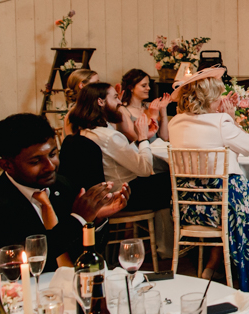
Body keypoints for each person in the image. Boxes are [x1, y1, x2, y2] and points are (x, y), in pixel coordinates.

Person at [169, 67, 249, 291]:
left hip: (190, 206)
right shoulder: (220, 122)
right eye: (218, 97)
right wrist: (232, 119)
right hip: (224, 203)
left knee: (247, 203)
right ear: (208, 99)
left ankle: (213, 265)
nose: (221, 101)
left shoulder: (175, 122)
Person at [0, 113, 129, 271]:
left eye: (53, 154)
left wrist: (95, 219)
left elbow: (86, 251)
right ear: (6, 165)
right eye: (35, 161)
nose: (50, 166)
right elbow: (17, 265)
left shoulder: (62, 185)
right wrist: (77, 219)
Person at [69, 82, 173, 216]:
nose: (120, 102)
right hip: (125, 195)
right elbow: (145, 169)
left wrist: (145, 137)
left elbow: (126, 154)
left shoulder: (88, 131)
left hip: (112, 191)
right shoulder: (110, 137)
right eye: (115, 98)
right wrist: (142, 138)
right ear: (101, 102)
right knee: (174, 180)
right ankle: (169, 234)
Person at [119, 69, 171, 142]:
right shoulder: (123, 109)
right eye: (144, 86)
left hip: (158, 149)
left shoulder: (150, 106)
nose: (148, 88)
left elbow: (164, 137)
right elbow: (135, 139)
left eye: (148, 85)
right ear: (131, 88)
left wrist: (163, 110)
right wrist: (153, 117)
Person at [61, 68, 98, 137]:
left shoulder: (90, 109)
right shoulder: (75, 113)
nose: (99, 86)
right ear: (82, 85)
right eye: (96, 83)